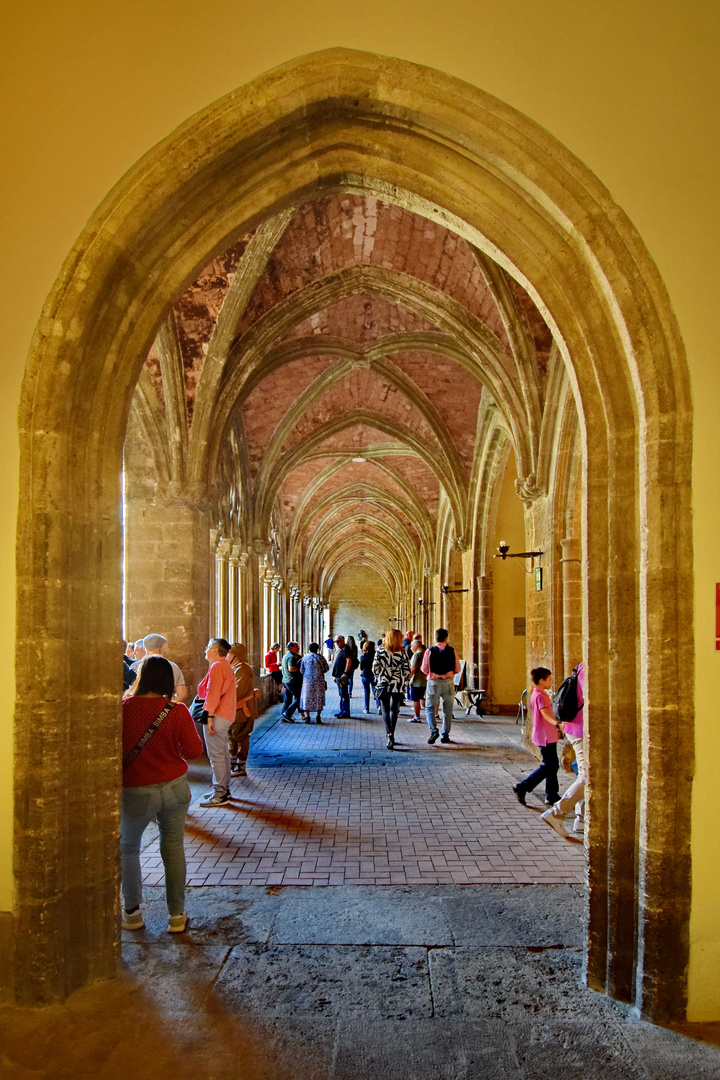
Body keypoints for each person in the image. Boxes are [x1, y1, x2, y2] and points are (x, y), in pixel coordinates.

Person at [120, 655, 204, 933]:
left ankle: (132, 913)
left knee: (128, 849)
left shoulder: (122, 709)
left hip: (137, 790)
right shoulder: (176, 711)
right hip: (175, 788)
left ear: (141, 677)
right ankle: (176, 916)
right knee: (173, 848)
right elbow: (194, 751)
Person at [541, 660, 585, 838]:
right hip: (581, 729)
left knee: (587, 774)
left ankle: (581, 820)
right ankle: (556, 813)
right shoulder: (591, 668)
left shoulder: (582, 666)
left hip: (575, 727)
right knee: (587, 776)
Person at [512, 666, 562, 809]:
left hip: (547, 734)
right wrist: (556, 723)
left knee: (552, 765)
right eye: (550, 679)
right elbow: (544, 712)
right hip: (545, 735)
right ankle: (523, 787)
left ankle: (552, 794)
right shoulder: (539, 695)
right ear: (541, 681)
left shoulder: (538, 693)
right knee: (549, 765)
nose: (551, 682)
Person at [197, 637, 237, 807]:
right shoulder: (225, 665)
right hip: (226, 714)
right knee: (222, 753)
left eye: (208, 647)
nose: (205, 650)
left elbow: (213, 693)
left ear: (214, 650)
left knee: (216, 756)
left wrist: (210, 716)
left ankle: (220, 794)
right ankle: (223, 789)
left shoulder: (217, 666)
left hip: (217, 715)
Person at [373, 628, 411, 749]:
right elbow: (407, 670)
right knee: (395, 710)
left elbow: (375, 669)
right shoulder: (403, 652)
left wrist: (382, 675)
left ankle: (388, 733)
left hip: (384, 683)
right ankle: (392, 734)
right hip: (397, 683)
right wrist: (401, 678)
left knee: (385, 710)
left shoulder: (380, 651)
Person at [422, 628, 460, 744]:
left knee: (430, 708)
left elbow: (424, 669)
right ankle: (445, 735)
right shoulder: (452, 651)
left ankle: (434, 730)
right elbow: (457, 669)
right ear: (446, 638)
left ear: (436, 638)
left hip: (434, 683)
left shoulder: (429, 651)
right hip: (448, 683)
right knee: (447, 710)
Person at [227, 642, 259, 778]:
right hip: (234, 708)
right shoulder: (234, 668)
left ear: (235, 655)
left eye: (228, 653)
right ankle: (233, 762)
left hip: (242, 709)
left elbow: (237, 692)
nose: (226, 656)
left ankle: (241, 764)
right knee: (232, 735)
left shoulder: (242, 669)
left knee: (240, 735)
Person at [131, 633, 188, 702]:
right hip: (165, 710)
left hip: (139, 708)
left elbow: (131, 692)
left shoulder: (134, 667)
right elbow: (182, 694)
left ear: (144, 648)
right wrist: (167, 708)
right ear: (161, 648)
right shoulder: (173, 667)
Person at [299, 642, 330, 723]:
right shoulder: (321, 658)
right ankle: (318, 716)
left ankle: (308, 716)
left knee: (307, 697)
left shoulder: (305, 658)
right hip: (318, 680)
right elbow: (327, 668)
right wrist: (320, 672)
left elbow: (301, 670)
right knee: (318, 698)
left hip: (307, 681)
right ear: (317, 649)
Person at [280, 641, 303, 722]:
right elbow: (291, 668)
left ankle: (284, 716)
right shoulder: (291, 657)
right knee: (299, 698)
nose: (298, 649)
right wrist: (300, 669)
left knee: (288, 699)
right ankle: (287, 714)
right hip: (292, 681)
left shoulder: (287, 655)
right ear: (291, 648)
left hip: (286, 681)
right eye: (297, 647)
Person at [332, 635, 353, 718]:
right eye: (335, 642)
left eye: (337, 641)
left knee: (344, 694)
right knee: (341, 694)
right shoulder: (341, 650)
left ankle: (346, 712)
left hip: (342, 676)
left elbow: (349, 661)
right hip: (338, 676)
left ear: (342, 640)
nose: (336, 643)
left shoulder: (346, 649)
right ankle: (342, 710)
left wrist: (345, 673)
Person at [407, 639, 427, 721]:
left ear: (416, 646)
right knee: (423, 698)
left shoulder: (416, 655)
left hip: (417, 681)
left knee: (415, 699)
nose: (411, 648)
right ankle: (432, 714)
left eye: (412, 646)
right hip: (425, 680)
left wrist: (409, 678)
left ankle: (417, 716)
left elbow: (413, 668)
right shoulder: (426, 653)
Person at [359, 638, 377, 714]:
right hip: (374, 675)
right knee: (375, 692)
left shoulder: (364, 657)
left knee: (366, 692)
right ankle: (379, 707)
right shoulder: (376, 655)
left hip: (365, 675)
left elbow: (361, 667)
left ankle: (366, 708)